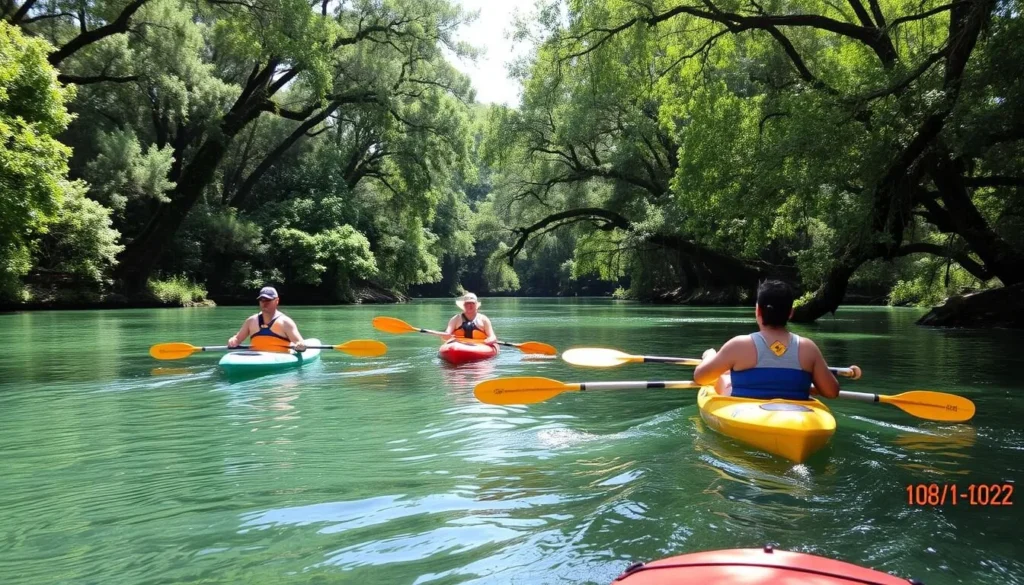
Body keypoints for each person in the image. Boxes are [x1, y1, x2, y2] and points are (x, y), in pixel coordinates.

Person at [693, 280, 839, 400]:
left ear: (758, 311)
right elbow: (832, 392)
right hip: (795, 419)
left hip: (747, 418)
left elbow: (700, 377)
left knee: (725, 380)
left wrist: (709, 356)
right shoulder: (808, 348)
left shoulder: (738, 346)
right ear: (790, 313)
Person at [227, 286, 306, 352]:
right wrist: (233, 340)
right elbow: (238, 339)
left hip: (279, 360)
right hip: (256, 358)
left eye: (268, 300)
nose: (264, 303)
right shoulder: (251, 321)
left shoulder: (286, 322)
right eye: (262, 300)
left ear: (277, 301)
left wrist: (300, 345)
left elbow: (299, 341)